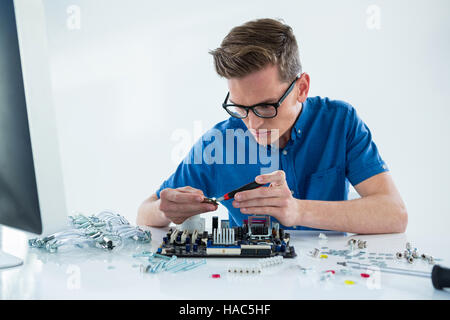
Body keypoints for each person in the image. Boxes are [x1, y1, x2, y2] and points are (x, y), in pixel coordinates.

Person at [137, 18, 407, 234]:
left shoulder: (340, 122)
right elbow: (145, 211)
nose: (252, 123)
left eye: (266, 107)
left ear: (301, 88)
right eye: (240, 107)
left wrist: (297, 211)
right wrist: (165, 210)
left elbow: (393, 213)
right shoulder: (218, 143)